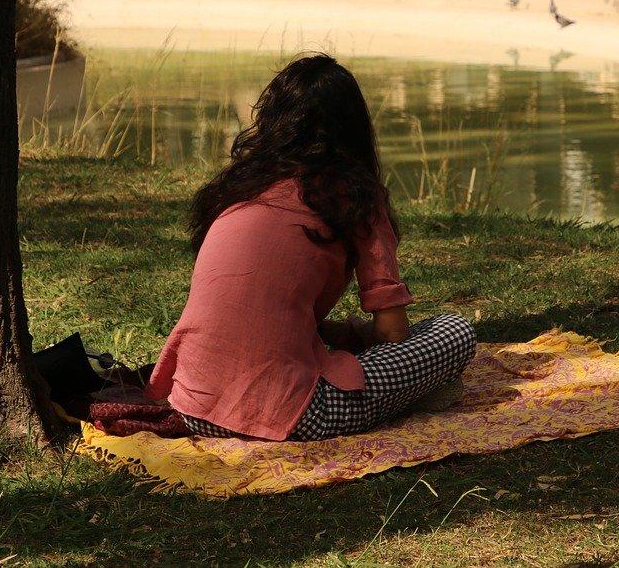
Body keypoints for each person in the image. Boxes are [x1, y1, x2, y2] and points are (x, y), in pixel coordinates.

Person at [145, 54, 477, 441]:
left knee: (340, 338)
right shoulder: (355, 197)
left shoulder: (238, 190)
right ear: (354, 128)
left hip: (191, 402)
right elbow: (392, 334)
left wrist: (345, 335)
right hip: (295, 412)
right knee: (455, 332)